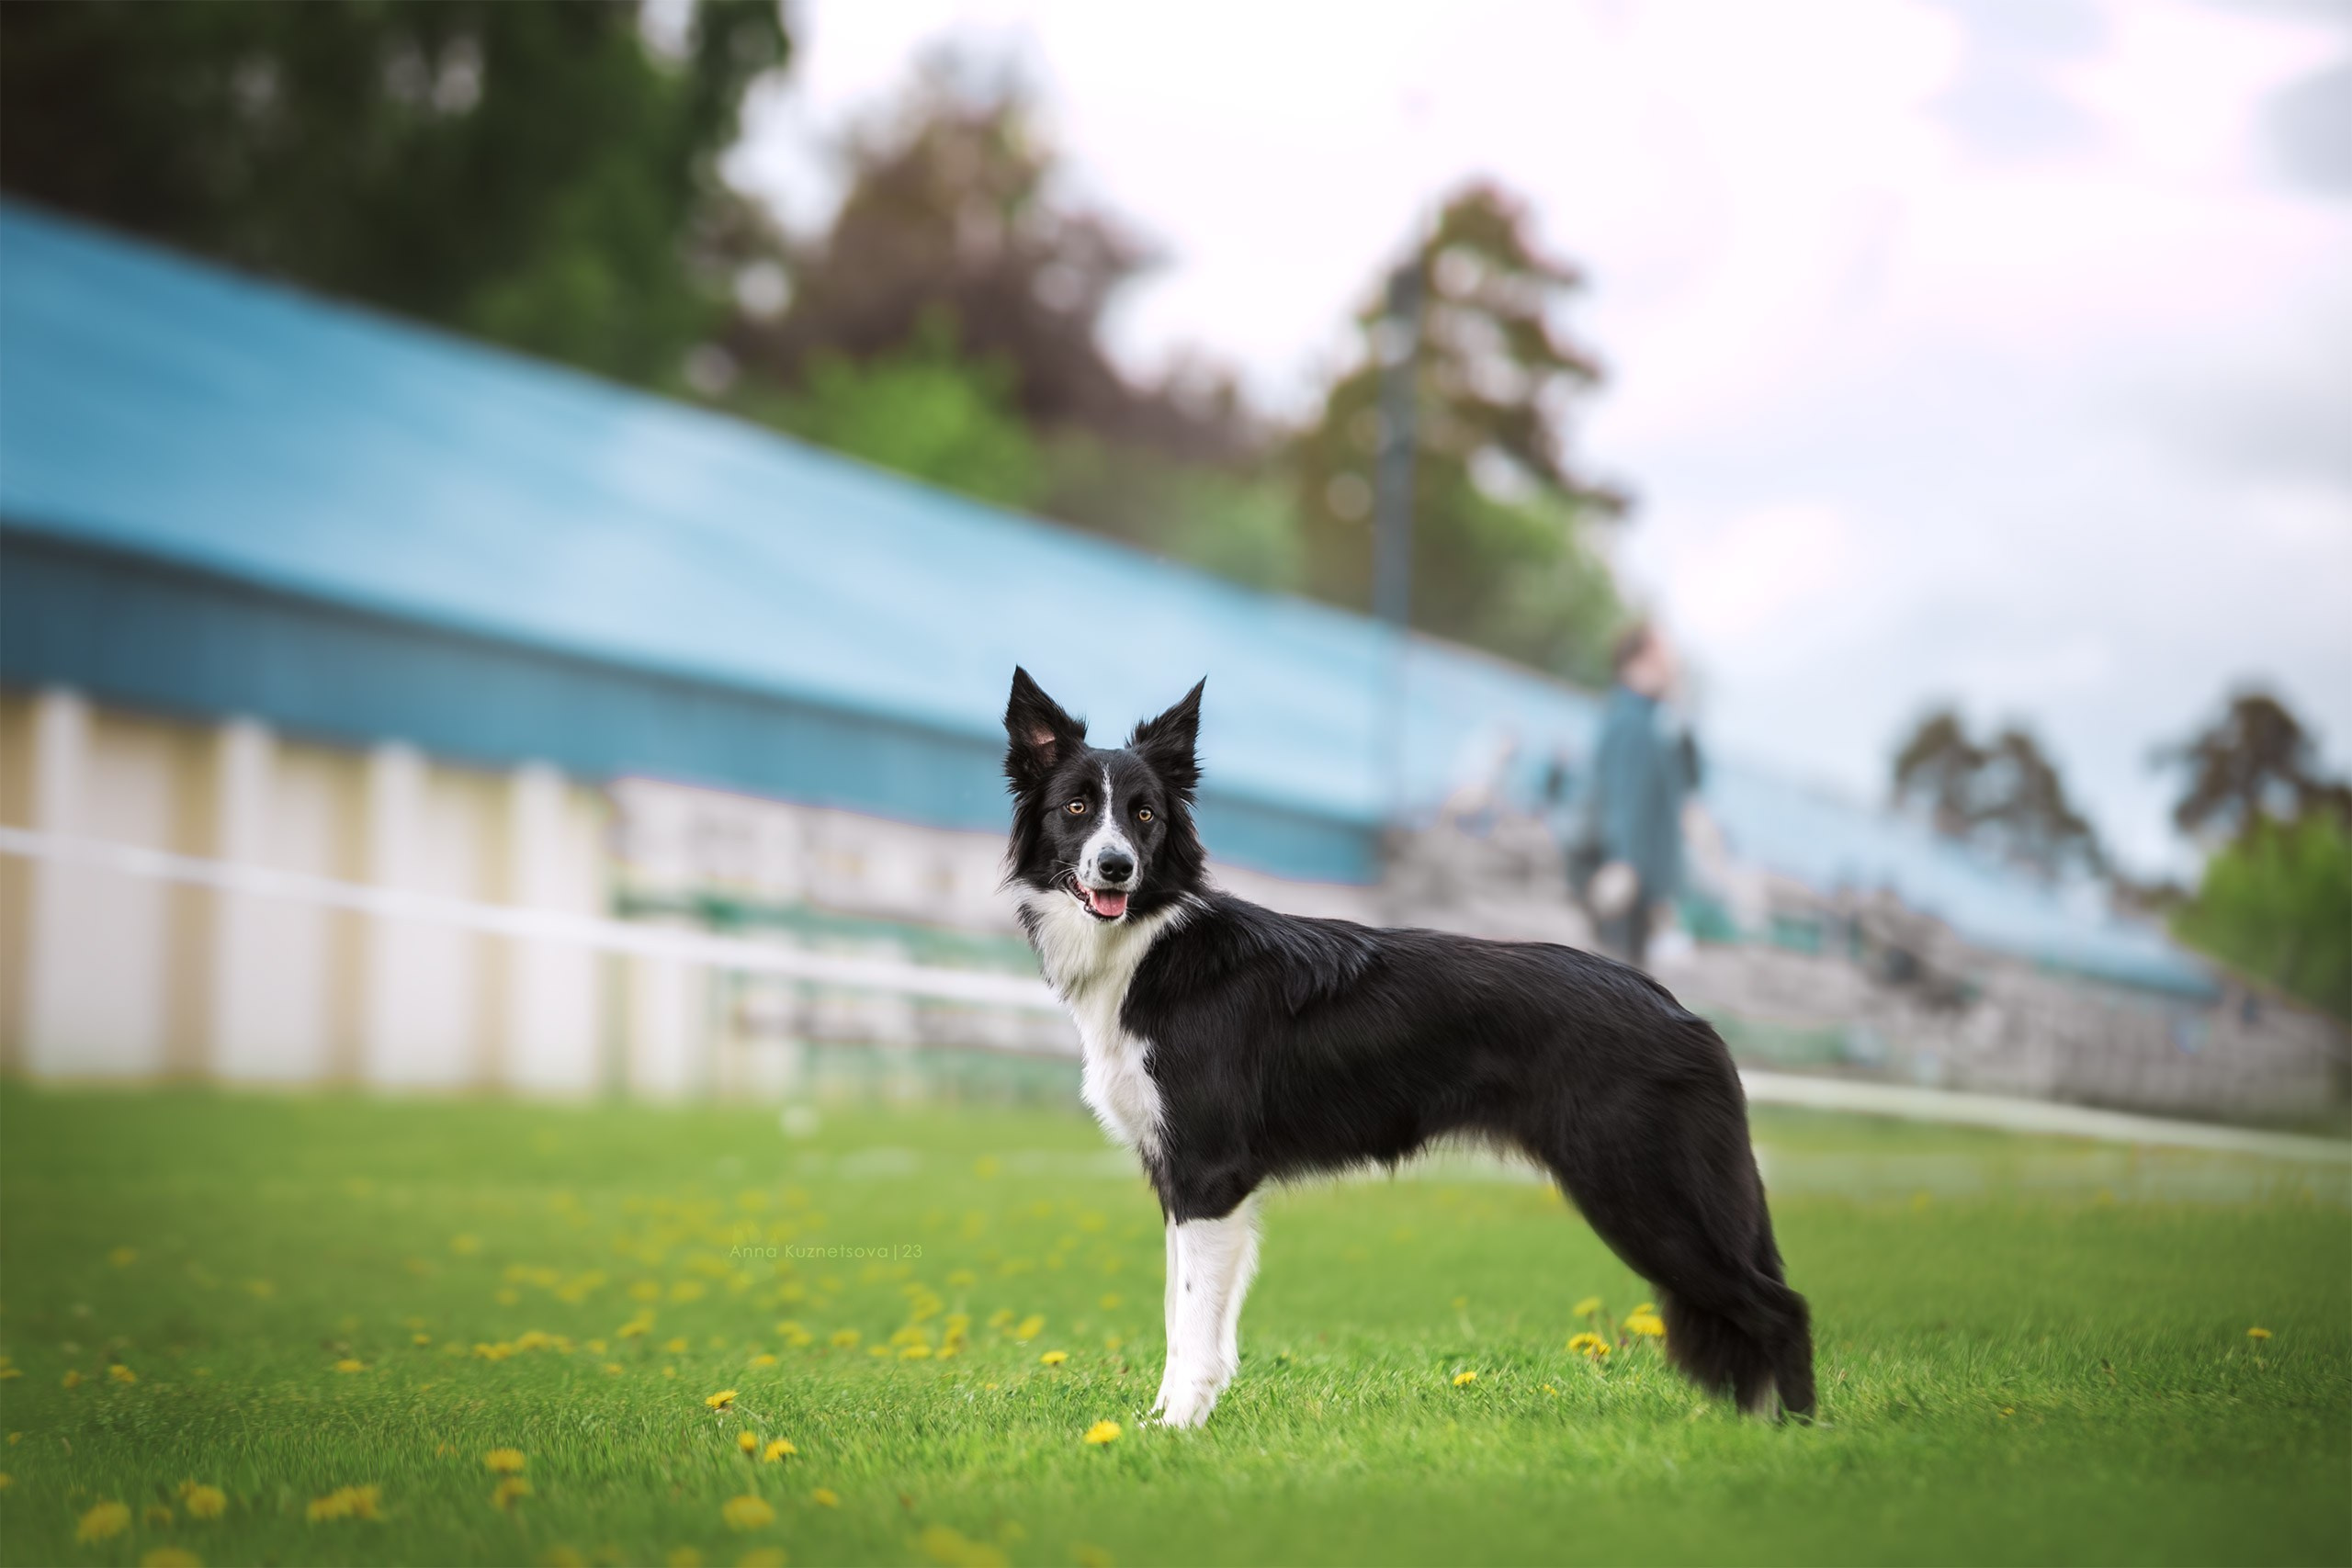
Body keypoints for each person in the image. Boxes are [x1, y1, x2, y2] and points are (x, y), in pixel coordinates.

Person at [1581, 622, 1702, 968]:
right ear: (1640, 661)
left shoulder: (1657, 721)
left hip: (1638, 882)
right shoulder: (1630, 720)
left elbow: (1692, 779)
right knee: (1613, 984)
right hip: (1624, 876)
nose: (1673, 665)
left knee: (1625, 983)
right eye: (1664, 655)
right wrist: (1625, 860)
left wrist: (1682, 712)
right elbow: (1622, 794)